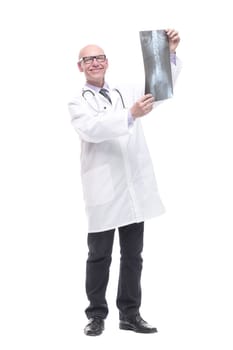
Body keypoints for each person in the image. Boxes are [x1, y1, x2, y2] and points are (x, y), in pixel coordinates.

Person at [68, 29, 181, 336]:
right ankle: (96, 315)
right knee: (99, 255)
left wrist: (166, 53)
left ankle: (129, 314)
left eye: (100, 57)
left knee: (133, 254)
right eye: (88, 59)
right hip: (103, 191)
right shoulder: (78, 102)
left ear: (107, 62)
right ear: (80, 66)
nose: (95, 62)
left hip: (133, 187)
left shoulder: (124, 90)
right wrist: (130, 115)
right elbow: (93, 129)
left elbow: (156, 89)